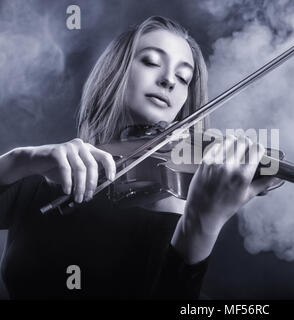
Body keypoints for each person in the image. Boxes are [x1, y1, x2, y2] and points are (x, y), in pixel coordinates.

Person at [0, 16, 278, 299]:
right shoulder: (44, 175)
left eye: (184, 78)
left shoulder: (180, 211)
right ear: (115, 72)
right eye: (151, 62)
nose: (169, 80)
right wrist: (21, 159)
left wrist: (200, 226)